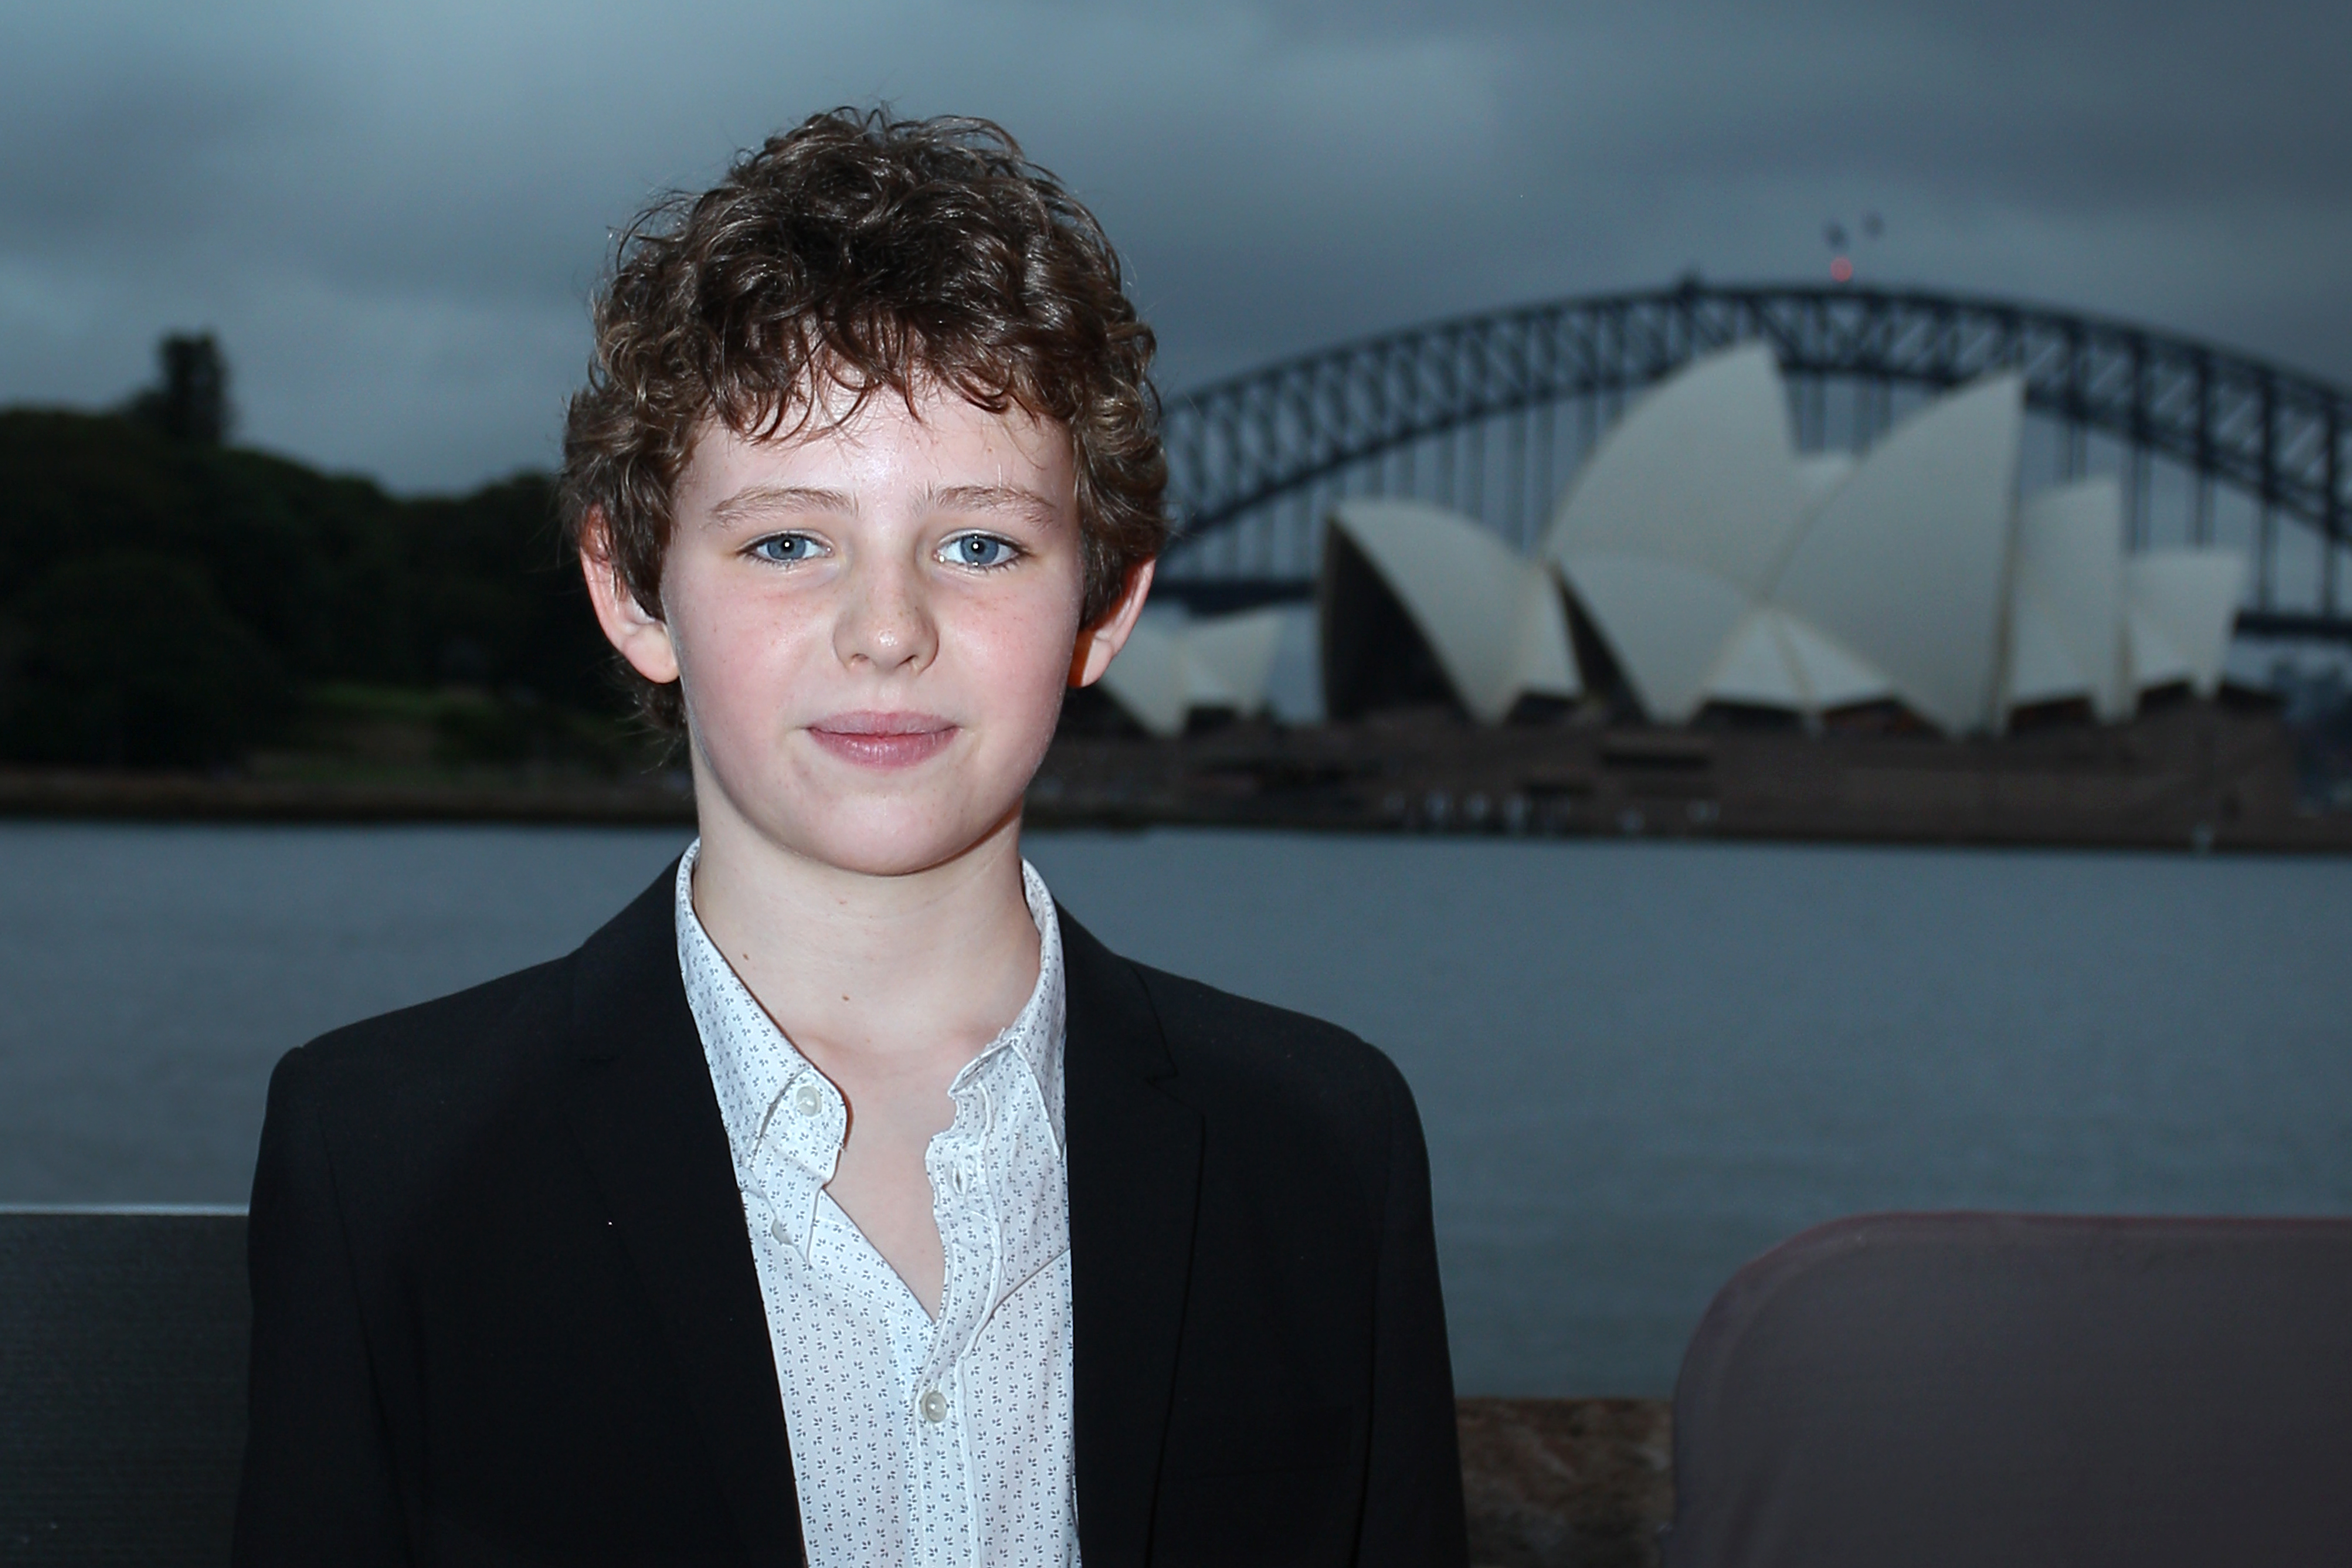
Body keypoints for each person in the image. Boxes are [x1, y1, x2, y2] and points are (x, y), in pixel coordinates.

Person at [234, 108, 1465, 1568]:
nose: (888, 631)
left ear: (1108, 607)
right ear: (634, 596)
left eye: (983, 546)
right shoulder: (386, 1161)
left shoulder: (1325, 1151)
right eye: (786, 543)